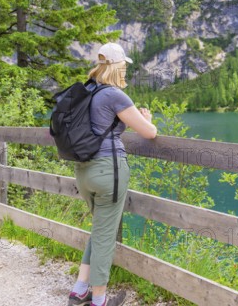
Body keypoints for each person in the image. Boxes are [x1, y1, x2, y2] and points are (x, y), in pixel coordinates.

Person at [68, 42, 157, 306]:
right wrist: (148, 119)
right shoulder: (115, 95)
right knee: (106, 235)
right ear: (117, 67)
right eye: (125, 67)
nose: (126, 73)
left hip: (84, 172)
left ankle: (80, 289)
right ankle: (99, 300)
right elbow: (149, 133)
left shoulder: (87, 91)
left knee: (100, 229)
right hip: (109, 171)